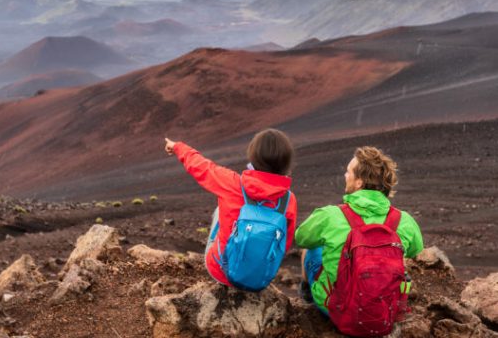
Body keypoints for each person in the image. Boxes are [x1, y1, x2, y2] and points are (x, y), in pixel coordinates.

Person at [295, 146, 423, 333]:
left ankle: (307, 295)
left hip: (338, 309)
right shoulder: (404, 220)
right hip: (384, 310)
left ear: (359, 183)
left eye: (348, 172)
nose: (345, 176)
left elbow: (301, 238)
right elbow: (415, 250)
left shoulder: (330, 215)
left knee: (312, 249)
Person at [164, 128, 297, 289]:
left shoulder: (232, 183)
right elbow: (285, 243)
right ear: (286, 162)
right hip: (259, 279)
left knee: (220, 211)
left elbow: (201, 167)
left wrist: (178, 147)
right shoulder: (288, 200)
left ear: (253, 158)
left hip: (221, 272)